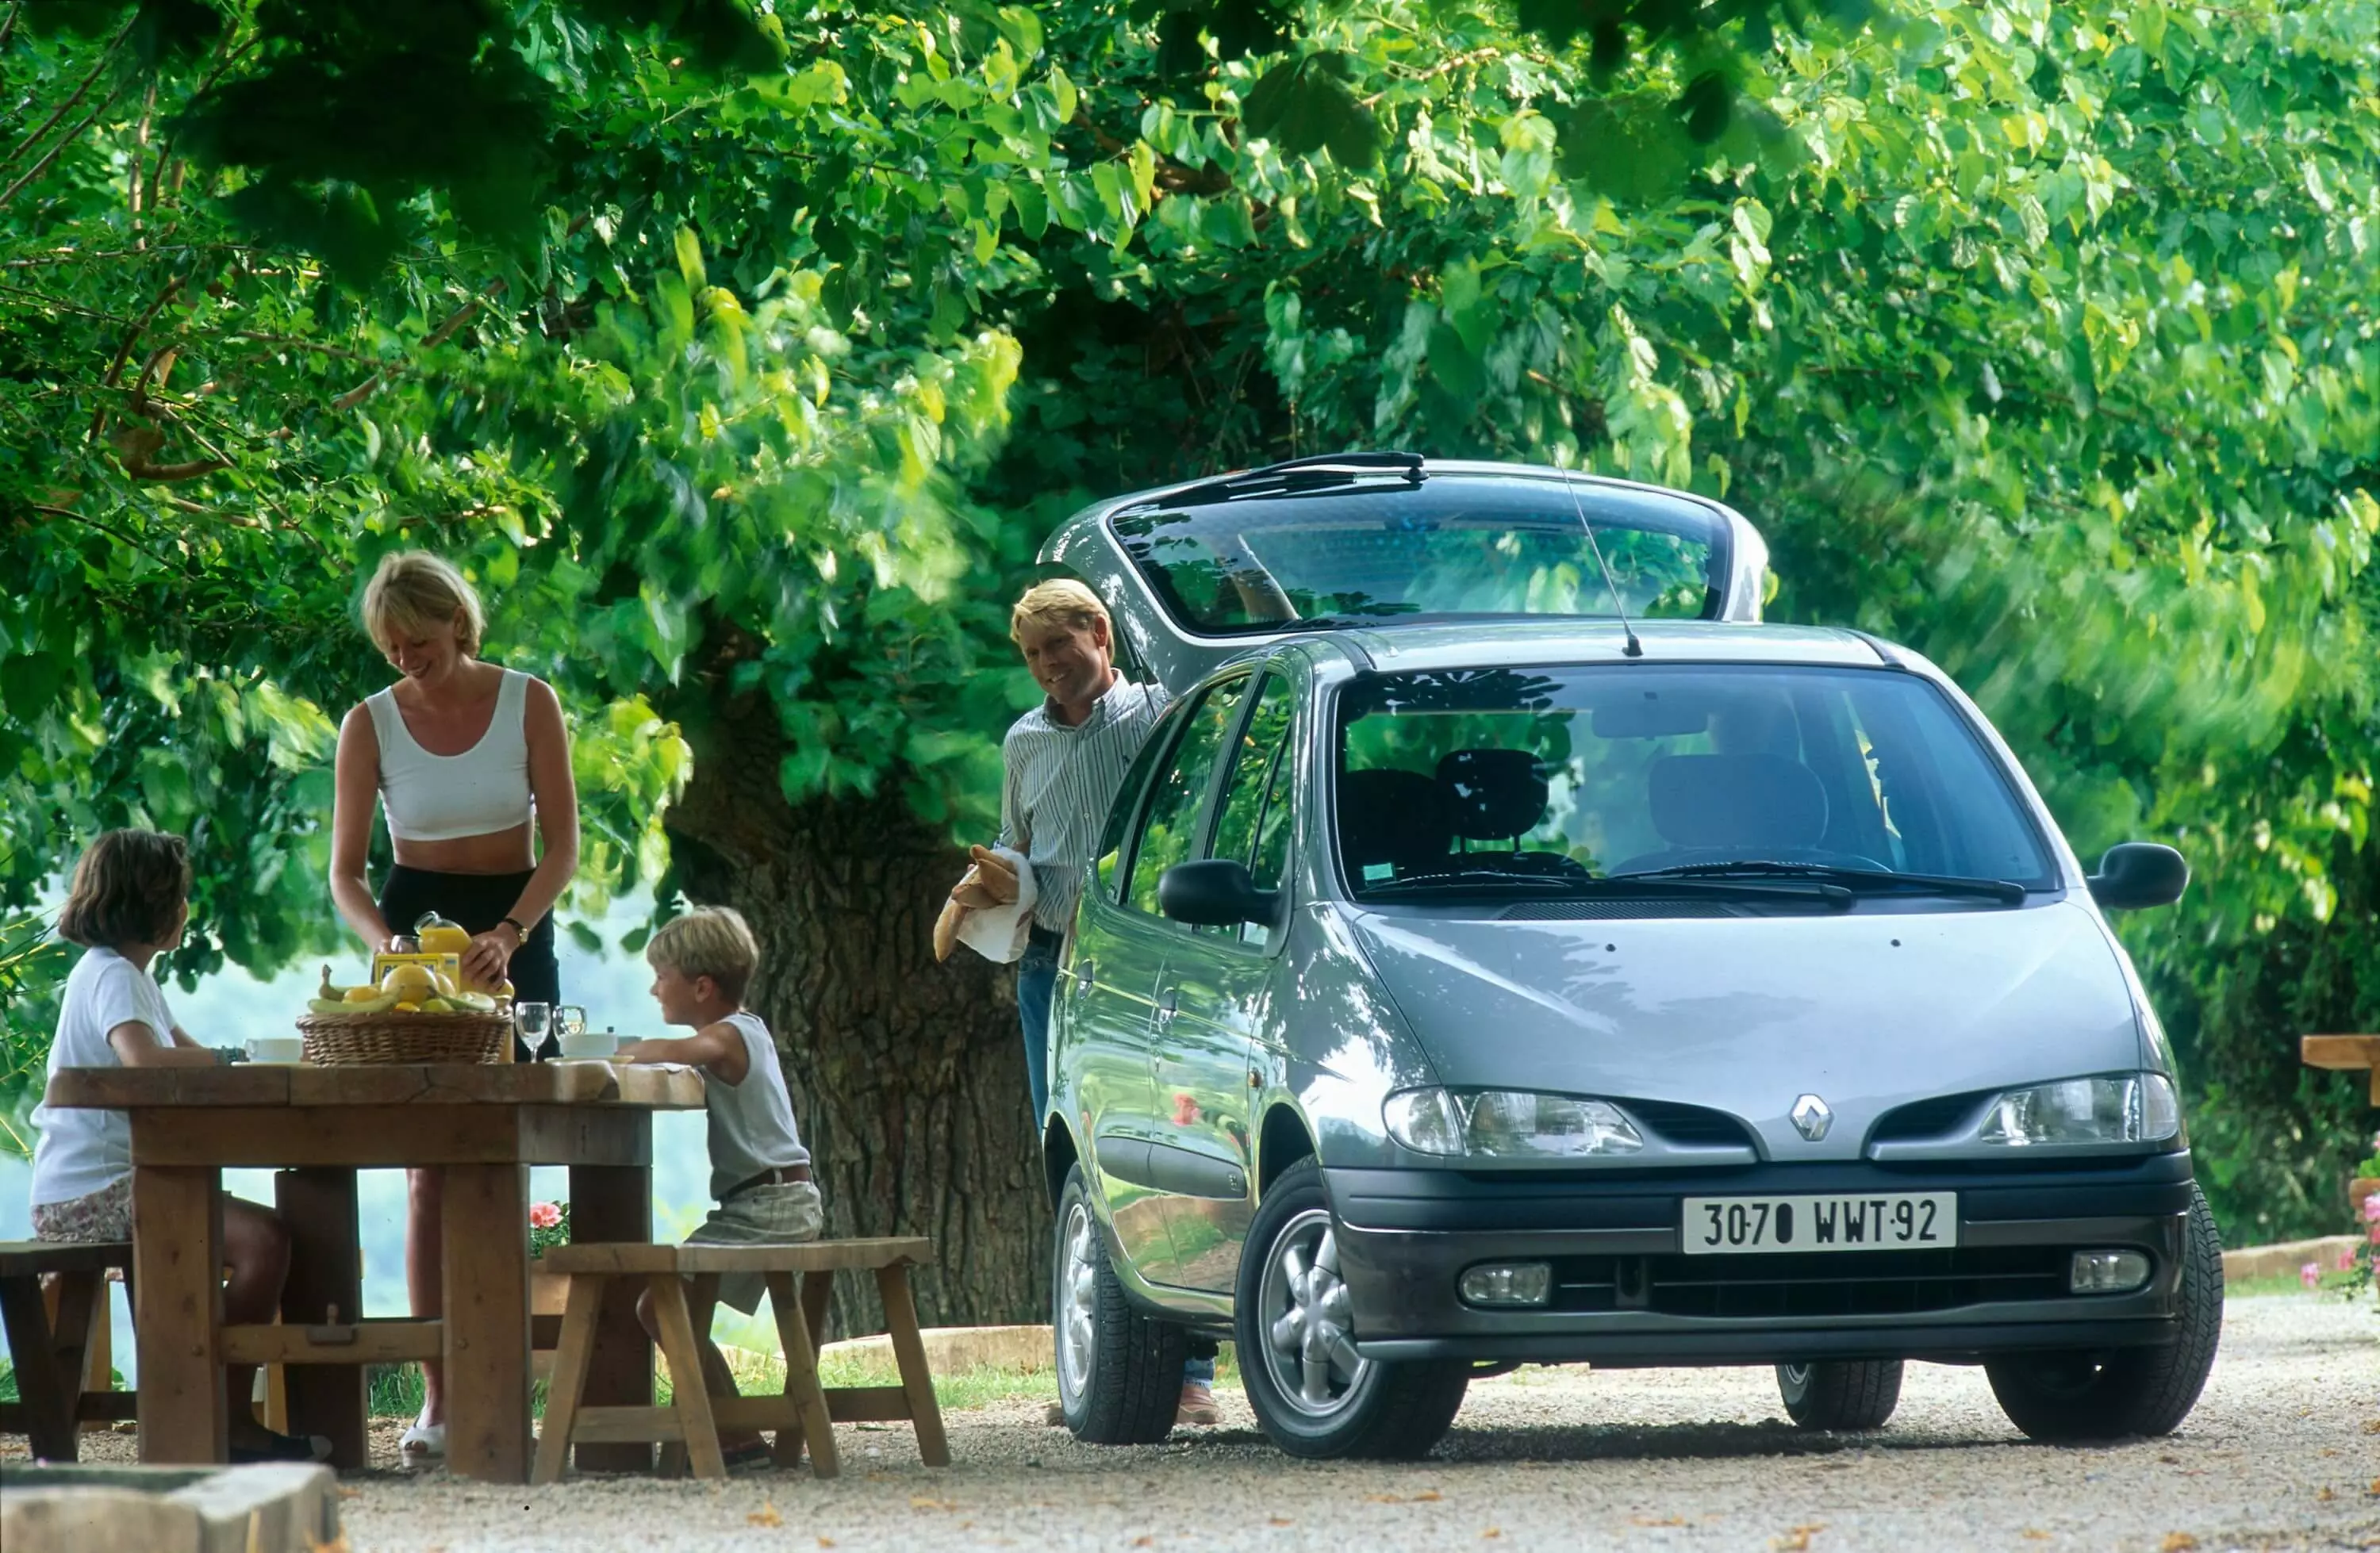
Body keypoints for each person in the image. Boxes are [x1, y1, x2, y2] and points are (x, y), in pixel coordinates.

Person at [328, 550, 581, 1461]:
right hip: (413, 934)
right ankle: (437, 1394)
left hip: (515, 924)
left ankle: (511, 1376)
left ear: (461, 627)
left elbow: (564, 847)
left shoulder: (529, 700)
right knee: (426, 1168)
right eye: (392, 648)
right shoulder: (370, 723)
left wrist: (512, 931)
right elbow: (347, 874)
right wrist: (387, 946)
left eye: (421, 643)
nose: (407, 661)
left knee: (508, 1154)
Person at [979, 580, 1219, 1428]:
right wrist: (993, 879)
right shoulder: (1023, 742)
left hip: (1145, 971)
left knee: (1161, 1154)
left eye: (1060, 646)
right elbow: (1017, 842)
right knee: (1072, 1162)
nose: (1049, 666)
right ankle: (1101, 1363)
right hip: (1050, 968)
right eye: (1035, 654)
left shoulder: (1160, 712)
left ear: (1101, 634)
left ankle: (1190, 1370)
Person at [27, 830, 326, 1462]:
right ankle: (221, 1413)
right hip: (95, 1193)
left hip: (106, 1186)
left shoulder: (131, 978)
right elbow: (144, 1062)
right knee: (264, 1241)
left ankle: (202, 1395)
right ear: (154, 904)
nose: (187, 909)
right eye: (181, 896)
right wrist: (233, 1063)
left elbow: (186, 1055)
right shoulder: (113, 975)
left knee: (257, 1235)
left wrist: (247, 1058)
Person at [616, 907, 820, 1472]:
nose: (654, 988)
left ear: (701, 986)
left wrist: (620, 1051)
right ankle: (737, 1436)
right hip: (777, 1200)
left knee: (659, 1306)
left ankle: (732, 1437)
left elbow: (688, 1053)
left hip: (768, 1206)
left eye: (663, 976)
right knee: (664, 1305)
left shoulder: (727, 1036)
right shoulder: (746, 1030)